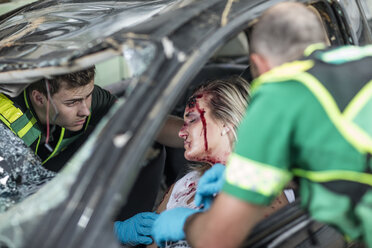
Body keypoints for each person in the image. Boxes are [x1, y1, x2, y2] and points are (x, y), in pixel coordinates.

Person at [151, 2, 372, 248]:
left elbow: (214, 238)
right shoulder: (361, 63)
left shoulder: (277, 103)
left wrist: (185, 224)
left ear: (259, 64)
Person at [114, 76, 293, 247]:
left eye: (191, 120)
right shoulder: (186, 184)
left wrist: (190, 224)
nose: (181, 132)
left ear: (226, 123)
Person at [0, 66, 183, 171]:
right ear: (39, 98)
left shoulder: (85, 98)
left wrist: (201, 135)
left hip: (45, 169)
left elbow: (147, 121)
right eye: (72, 103)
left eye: (88, 96)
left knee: (142, 141)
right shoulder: (7, 130)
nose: (85, 110)